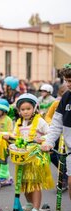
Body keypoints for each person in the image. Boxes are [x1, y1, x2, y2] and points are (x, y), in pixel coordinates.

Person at [4, 93, 54, 211]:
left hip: (35, 158)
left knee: (35, 183)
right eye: (22, 109)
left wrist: (41, 139)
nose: (25, 112)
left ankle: (36, 210)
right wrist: (11, 142)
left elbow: (50, 134)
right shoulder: (19, 123)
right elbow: (15, 136)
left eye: (28, 109)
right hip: (23, 157)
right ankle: (30, 204)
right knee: (23, 182)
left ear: (34, 108)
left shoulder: (40, 121)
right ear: (19, 111)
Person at [42, 64, 71, 200]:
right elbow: (56, 123)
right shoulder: (66, 98)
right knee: (70, 183)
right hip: (70, 150)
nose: (68, 84)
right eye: (66, 80)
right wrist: (49, 142)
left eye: (70, 81)